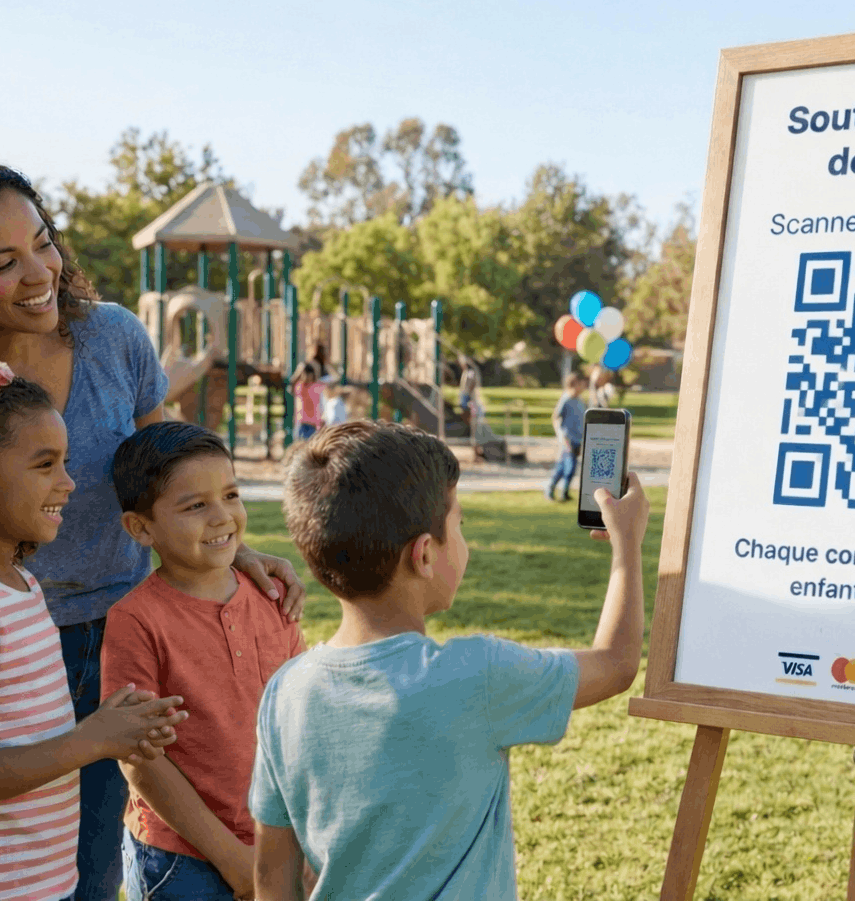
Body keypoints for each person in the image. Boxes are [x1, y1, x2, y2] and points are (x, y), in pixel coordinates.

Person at [0, 158, 303, 901]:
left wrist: (234, 547)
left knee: (87, 860)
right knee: (3, 837)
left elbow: (165, 470)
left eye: (43, 241)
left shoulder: (115, 338)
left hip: (119, 631)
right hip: (2, 649)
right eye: (1, 261)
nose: (37, 271)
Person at [251, 422, 649, 900]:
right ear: (423, 554)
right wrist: (627, 543)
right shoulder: (477, 675)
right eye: (459, 525)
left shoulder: (284, 693)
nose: (466, 541)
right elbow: (617, 663)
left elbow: (272, 879)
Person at [0, 358, 187, 900]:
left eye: (66, 461)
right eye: (44, 464)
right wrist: (90, 739)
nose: (69, 481)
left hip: (32, 884)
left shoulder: (18, 582)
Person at [103, 423, 304, 901]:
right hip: (180, 860)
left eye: (231, 495)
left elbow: (302, 722)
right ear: (141, 527)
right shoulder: (135, 621)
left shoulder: (271, 595)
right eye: (195, 506)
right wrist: (233, 861)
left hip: (277, 844)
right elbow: (139, 761)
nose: (222, 517)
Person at [547, 373, 588, 501]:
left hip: (578, 439)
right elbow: (556, 418)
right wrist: (561, 436)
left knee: (562, 466)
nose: (583, 387)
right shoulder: (566, 399)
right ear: (573, 385)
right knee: (570, 466)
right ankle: (563, 492)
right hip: (568, 440)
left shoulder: (580, 401)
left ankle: (551, 488)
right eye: (581, 384)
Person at [289, 362, 324, 441]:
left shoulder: (316, 387)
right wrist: (299, 370)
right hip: (301, 423)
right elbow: (291, 382)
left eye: (308, 375)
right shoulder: (300, 387)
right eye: (304, 374)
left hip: (313, 425)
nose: (307, 377)